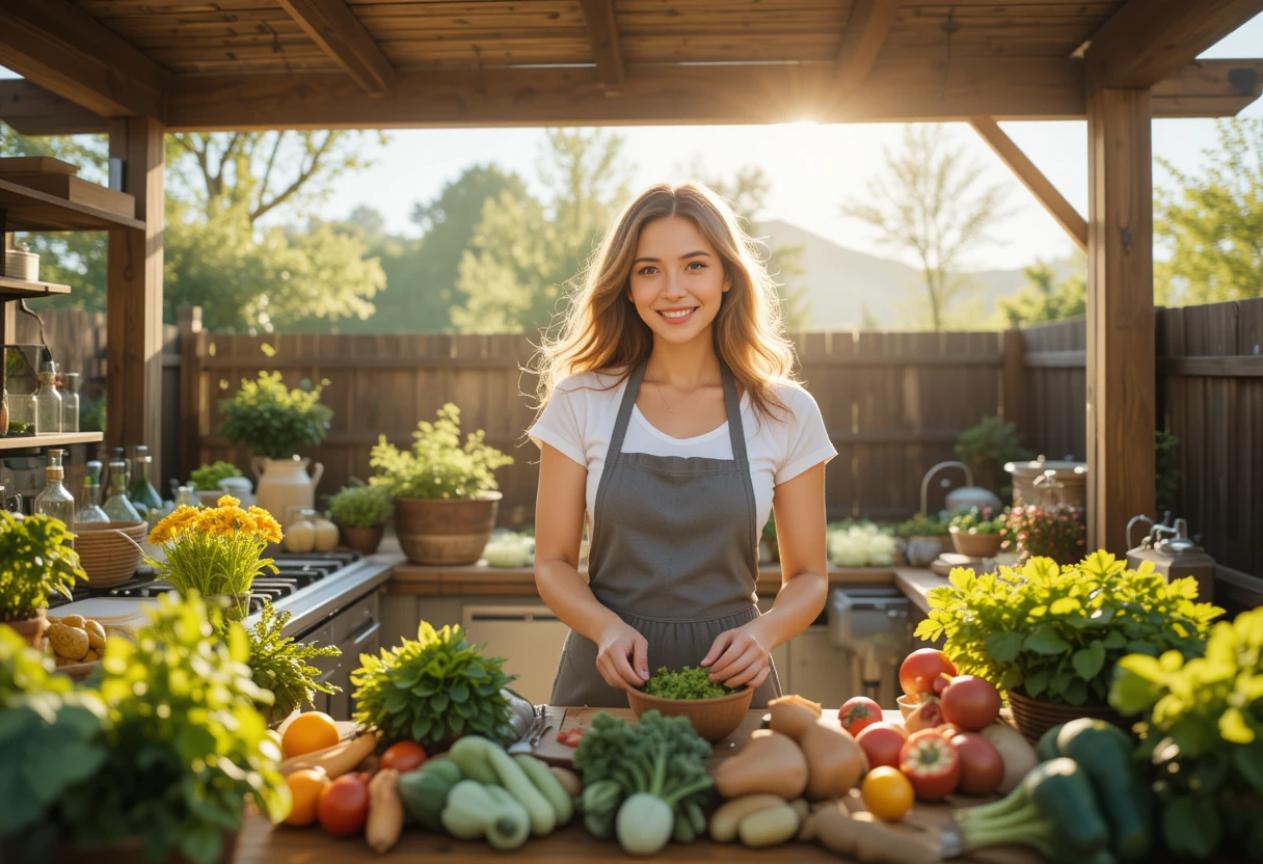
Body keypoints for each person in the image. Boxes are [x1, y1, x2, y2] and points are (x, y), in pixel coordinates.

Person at [528, 182, 835, 709]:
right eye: (649, 270)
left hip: (732, 685)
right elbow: (552, 563)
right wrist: (605, 629)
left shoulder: (785, 411)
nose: (672, 289)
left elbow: (808, 577)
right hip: (606, 684)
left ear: (727, 278)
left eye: (694, 265)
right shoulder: (581, 400)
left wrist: (764, 634)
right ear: (627, 286)